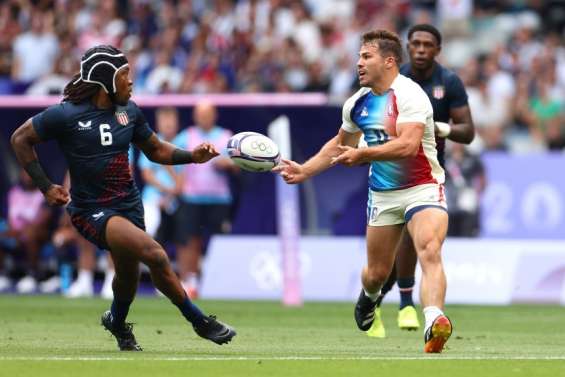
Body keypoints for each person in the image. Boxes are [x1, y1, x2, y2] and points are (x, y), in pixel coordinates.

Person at [10, 45, 236, 351]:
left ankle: (116, 322)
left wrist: (192, 156)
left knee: (127, 277)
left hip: (128, 204)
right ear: (105, 80)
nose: (130, 81)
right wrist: (46, 186)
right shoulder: (66, 114)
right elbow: (20, 139)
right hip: (92, 210)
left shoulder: (129, 112)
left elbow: (156, 150)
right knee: (155, 254)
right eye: (125, 74)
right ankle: (200, 321)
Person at [274, 30, 452, 353]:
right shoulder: (357, 103)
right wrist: (305, 169)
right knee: (377, 274)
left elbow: (409, 145)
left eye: (366, 57)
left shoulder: (411, 96)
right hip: (383, 196)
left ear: (388, 61)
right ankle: (369, 300)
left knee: (429, 247)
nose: (358, 63)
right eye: (359, 57)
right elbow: (340, 145)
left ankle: (434, 319)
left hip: (422, 187)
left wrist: (364, 155)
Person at [367, 24, 475, 338]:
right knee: (381, 262)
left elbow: (468, 131)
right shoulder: (393, 78)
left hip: (428, 172)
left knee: (424, 242)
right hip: (388, 170)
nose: (421, 50)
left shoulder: (448, 81)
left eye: (428, 45)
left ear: (437, 50)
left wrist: (442, 129)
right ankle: (379, 300)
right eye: (416, 44)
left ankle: (409, 306)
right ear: (408, 47)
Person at [173, 100, 238, 299]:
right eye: (200, 114)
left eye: (207, 114)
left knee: (218, 241)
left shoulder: (226, 136)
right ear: (195, 116)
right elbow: (174, 163)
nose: (204, 118)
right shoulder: (186, 136)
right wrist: (179, 186)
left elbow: (238, 165)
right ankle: (188, 282)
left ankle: (219, 280)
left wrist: (226, 165)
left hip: (219, 199)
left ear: (214, 115)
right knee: (189, 240)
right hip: (192, 198)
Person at [0, 169, 55, 293]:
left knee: (31, 234)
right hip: (16, 233)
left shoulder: (46, 194)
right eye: (25, 173)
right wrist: (13, 231)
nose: (28, 177)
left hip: (40, 234)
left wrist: (21, 232)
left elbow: (42, 221)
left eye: (31, 173)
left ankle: (32, 275)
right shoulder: (13, 193)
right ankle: (2, 275)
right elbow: (8, 220)